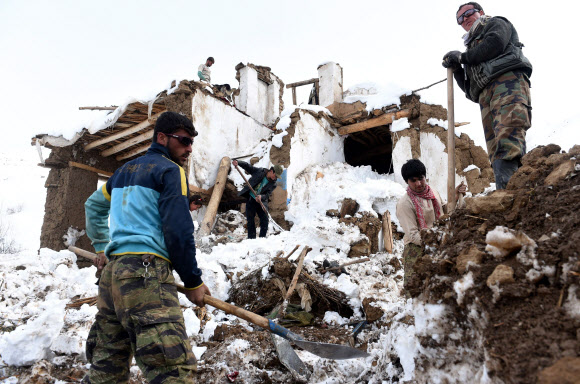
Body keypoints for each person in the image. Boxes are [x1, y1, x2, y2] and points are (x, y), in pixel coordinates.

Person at [83, 111, 211, 383]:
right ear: (162, 137)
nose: (189, 149)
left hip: (112, 279)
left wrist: (101, 247)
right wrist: (192, 282)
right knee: (172, 371)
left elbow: (93, 205)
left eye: (191, 143)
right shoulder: (170, 170)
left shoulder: (121, 173)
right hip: (145, 276)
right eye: (184, 141)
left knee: (107, 369)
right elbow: (178, 232)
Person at [442, 2, 532, 189]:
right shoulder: (471, 52)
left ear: (480, 12)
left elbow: (495, 44)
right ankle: (506, 192)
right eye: (460, 18)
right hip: (485, 96)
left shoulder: (495, 23)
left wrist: (462, 58)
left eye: (468, 13)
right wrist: (458, 69)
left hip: (506, 82)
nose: (464, 19)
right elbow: (469, 90)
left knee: (509, 135)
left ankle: (514, 195)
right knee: (494, 149)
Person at [396, 159, 466, 295]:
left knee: (439, 284)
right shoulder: (405, 204)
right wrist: (434, 242)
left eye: (421, 178)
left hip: (438, 241)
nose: (418, 184)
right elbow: (413, 234)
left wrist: (456, 197)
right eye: (413, 180)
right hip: (416, 248)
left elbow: (445, 210)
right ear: (407, 182)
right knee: (415, 288)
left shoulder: (432, 192)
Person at [232, 160, 281, 239]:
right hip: (251, 199)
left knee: (264, 219)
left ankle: (262, 239)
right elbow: (248, 167)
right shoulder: (259, 172)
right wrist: (238, 163)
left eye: (277, 177)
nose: (275, 178)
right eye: (275, 175)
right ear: (271, 171)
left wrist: (261, 197)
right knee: (250, 220)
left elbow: (268, 194)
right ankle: (251, 239)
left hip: (261, 202)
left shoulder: (273, 184)